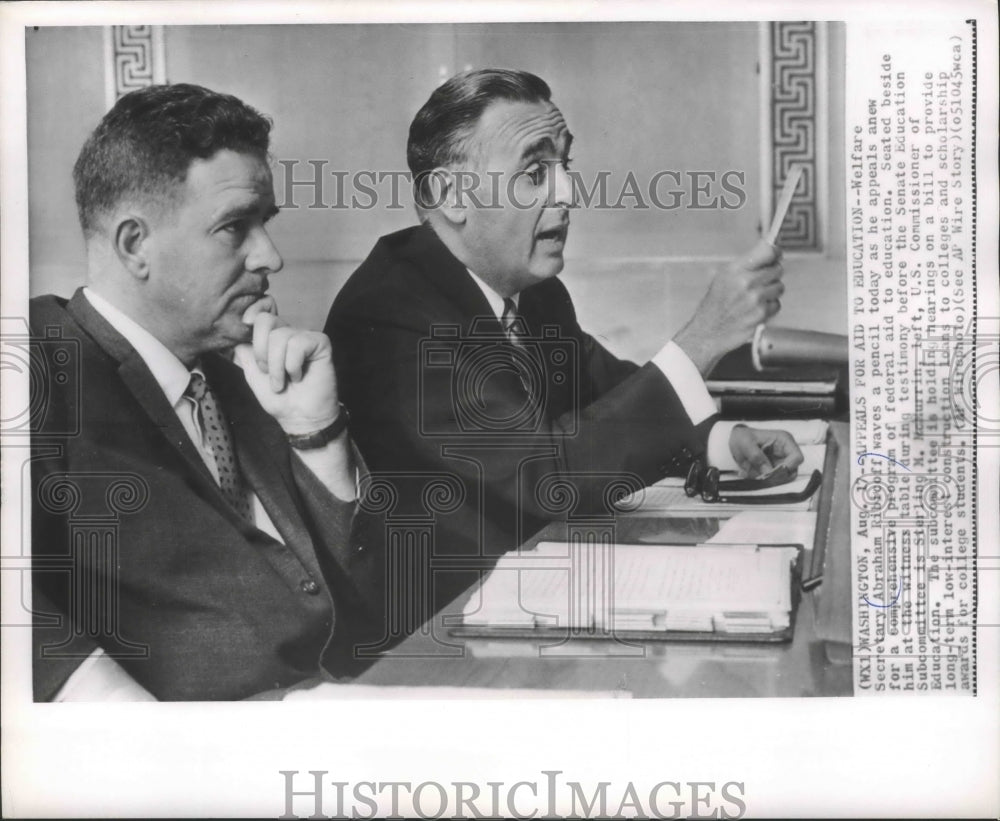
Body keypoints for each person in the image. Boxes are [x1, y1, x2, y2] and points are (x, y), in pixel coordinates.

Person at [326, 69, 804, 609]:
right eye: (535, 171)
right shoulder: (390, 312)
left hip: (535, 587)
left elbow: (608, 395)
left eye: (565, 165)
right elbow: (543, 475)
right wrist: (703, 340)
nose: (569, 192)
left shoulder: (533, 292)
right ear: (451, 196)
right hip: (440, 629)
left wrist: (718, 440)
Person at [30, 83, 386, 701]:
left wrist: (319, 437)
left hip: (334, 716)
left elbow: (361, 608)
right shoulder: (35, 361)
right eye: (233, 228)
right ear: (135, 245)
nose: (270, 257)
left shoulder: (239, 368)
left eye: (265, 225)